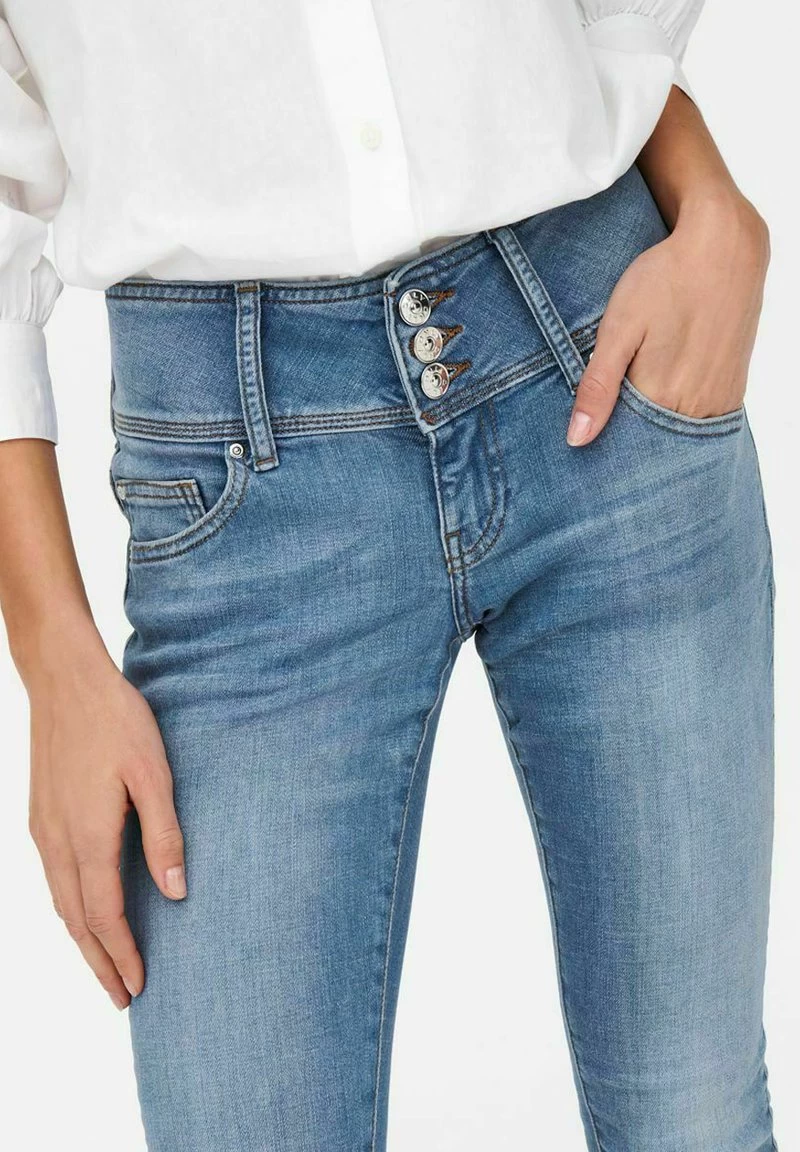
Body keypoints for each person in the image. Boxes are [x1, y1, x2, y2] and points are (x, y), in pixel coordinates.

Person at [0, 2, 777, 1150]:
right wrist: (52, 660)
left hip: (597, 344)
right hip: (241, 481)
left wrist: (709, 204)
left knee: (694, 1123)